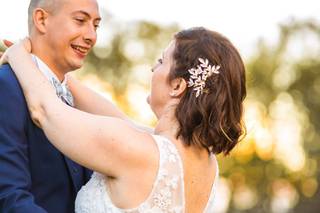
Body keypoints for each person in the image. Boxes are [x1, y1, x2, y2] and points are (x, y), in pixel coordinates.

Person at [0, 27, 246, 212]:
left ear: (178, 85)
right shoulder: (207, 165)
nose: (153, 68)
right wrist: (47, 66)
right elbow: (117, 118)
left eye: (161, 61)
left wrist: (18, 55)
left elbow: (44, 110)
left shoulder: (138, 150)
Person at [0, 0, 101, 212]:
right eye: (80, 21)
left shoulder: (81, 102)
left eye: (96, 25)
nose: (92, 36)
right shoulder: (6, 86)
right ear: (41, 20)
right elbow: (8, 196)